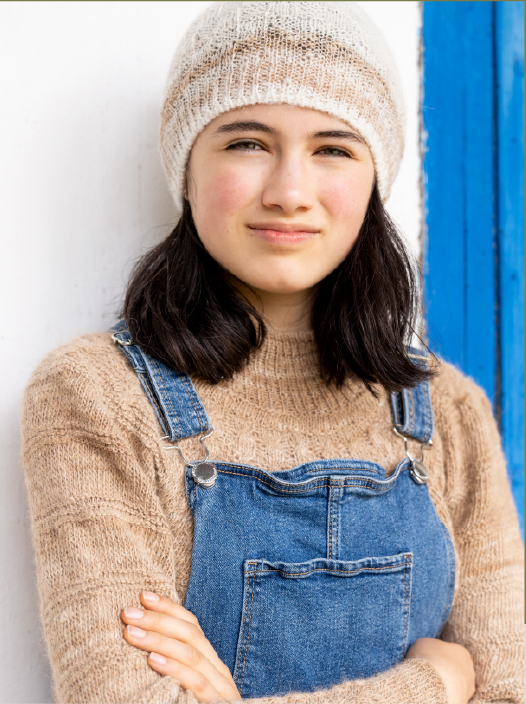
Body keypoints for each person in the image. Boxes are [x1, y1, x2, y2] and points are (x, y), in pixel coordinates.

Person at [22, 3, 524, 703]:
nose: (290, 193)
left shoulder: (451, 411)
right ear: (187, 167)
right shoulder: (96, 396)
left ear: (374, 180)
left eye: (333, 148)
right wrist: (437, 680)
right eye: (247, 143)